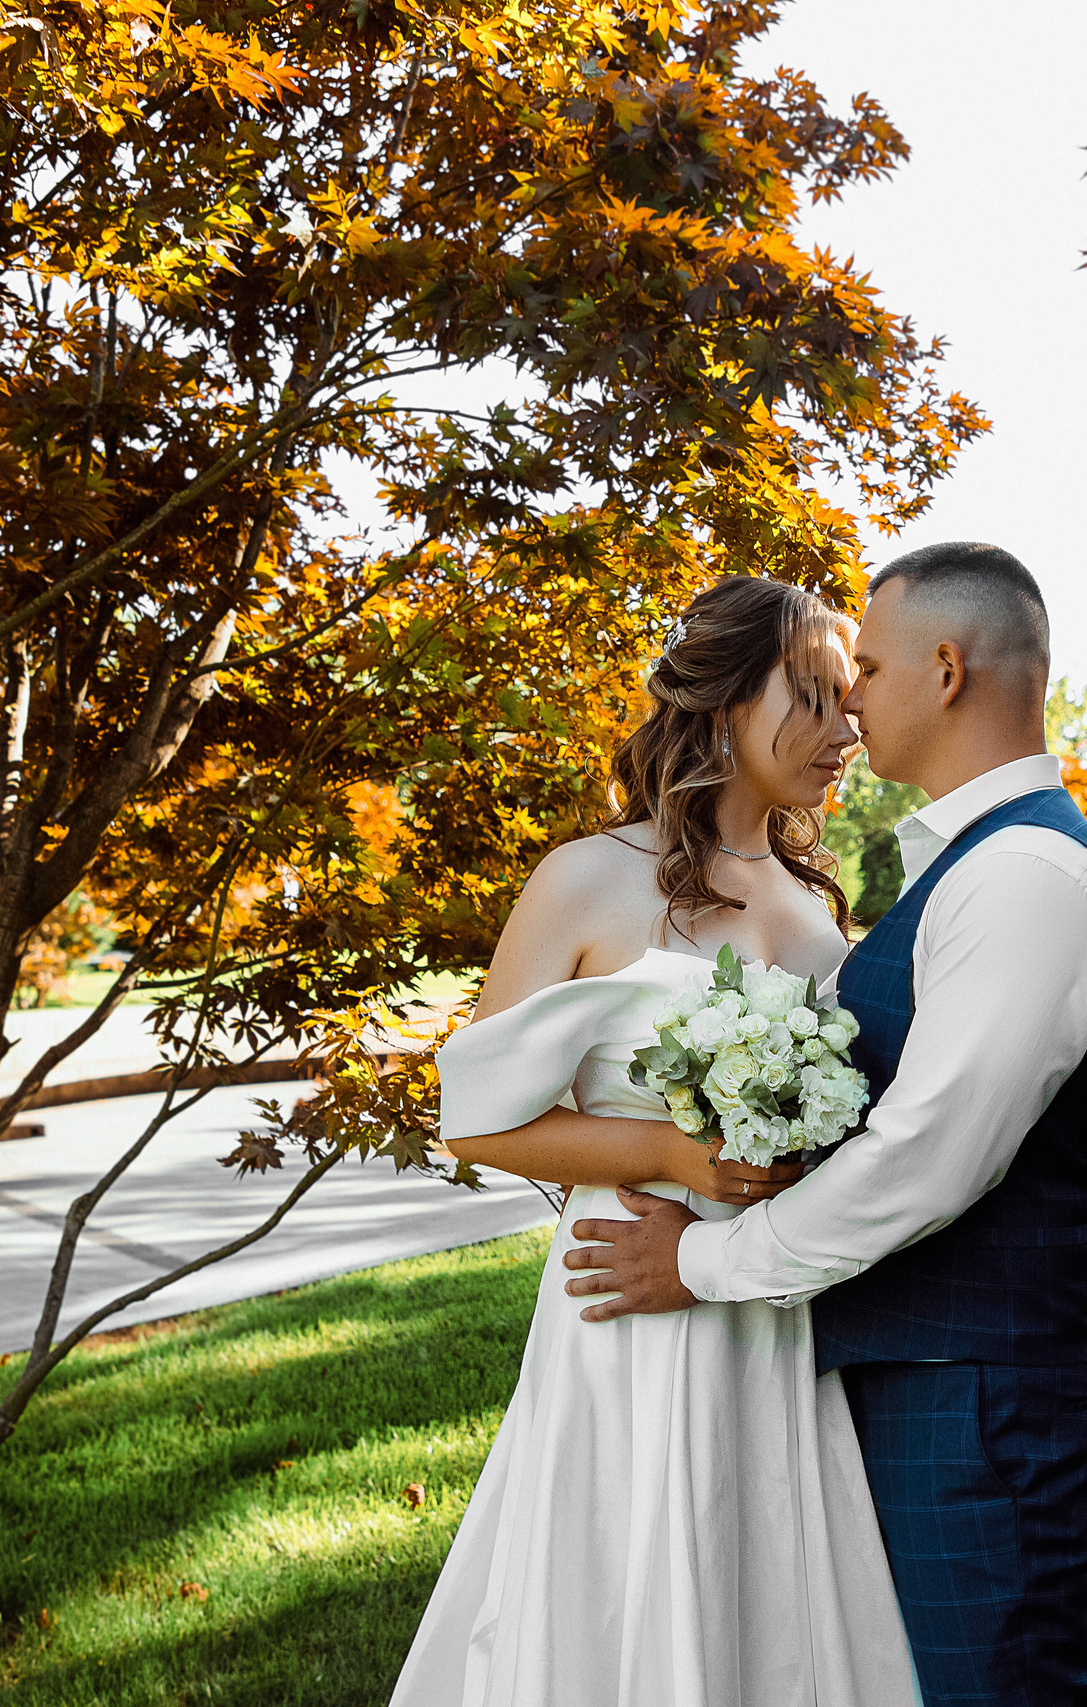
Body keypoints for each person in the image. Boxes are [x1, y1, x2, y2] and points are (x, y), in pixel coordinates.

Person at [565, 542, 1087, 1706]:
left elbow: (929, 1159)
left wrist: (701, 1259)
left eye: (867, 669)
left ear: (945, 669)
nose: (851, 701)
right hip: (929, 1372)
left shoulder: (1025, 873)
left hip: (985, 1389)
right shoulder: (967, 867)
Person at [387, 576, 919, 1705]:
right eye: (815, 698)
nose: (848, 731)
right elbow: (481, 1121)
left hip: (768, 1300)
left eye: (852, 702)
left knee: (764, 1567)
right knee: (620, 1579)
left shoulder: (816, 905)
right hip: (627, 1291)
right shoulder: (585, 878)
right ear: (726, 699)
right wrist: (673, 1160)